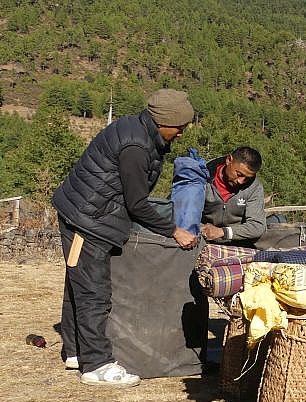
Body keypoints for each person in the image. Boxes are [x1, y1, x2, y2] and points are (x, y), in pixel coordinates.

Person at [52, 88, 198, 386]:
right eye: (179, 127)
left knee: (78, 284)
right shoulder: (136, 147)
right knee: (93, 291)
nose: (181, 133)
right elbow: (137, 204)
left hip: (87, 212)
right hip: (87, 219)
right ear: (163, 122)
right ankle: (97, 364)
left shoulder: (137, 129)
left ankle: (76, 351)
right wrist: (173, 230)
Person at [200, 146, 266, 247]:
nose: (241, 181)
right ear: (229, 160)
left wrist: (223, 232)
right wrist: (203, 229)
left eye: (247, 178)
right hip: (203, 237)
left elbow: (257, 226)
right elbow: (185, 213)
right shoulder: (202, 179)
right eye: (239, 174)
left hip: (238, 240)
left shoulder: (254, 187)